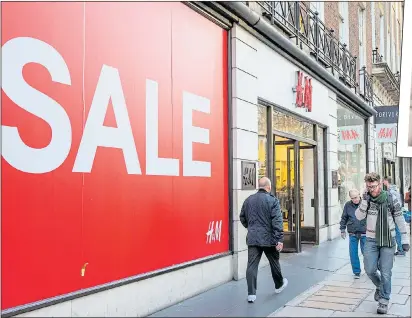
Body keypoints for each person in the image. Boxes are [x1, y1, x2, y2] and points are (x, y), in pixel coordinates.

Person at [356, 172, 410, 315]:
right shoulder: (367, 198)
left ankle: (384, 301)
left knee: (386, 273)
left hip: (388, 240)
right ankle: (380, 287)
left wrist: (404, 240)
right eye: (369, 187)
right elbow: (358, 216)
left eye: (373, 186)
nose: (371, 189)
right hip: (371, 239)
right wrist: (364, 201)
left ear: (379, 184)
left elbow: (399, 219)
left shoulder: (390, 198)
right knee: (369, 269)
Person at [239, 177, 287, 303]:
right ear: (268, 187)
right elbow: (277, 221)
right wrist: (279, 239)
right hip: (269, 238)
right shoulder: (273, 201)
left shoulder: (248, 200)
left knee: (252, 265)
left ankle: (251, 294)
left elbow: (242, 217)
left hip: (253, 238)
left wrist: (251, 228)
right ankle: (279, 285)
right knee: (274, 262)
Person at [339, 189, 366, 279]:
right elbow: (344, 217)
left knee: (366, 253)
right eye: (352, 198)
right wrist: (342, 229)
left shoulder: (365, 203)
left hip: (364, 232)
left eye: (356, 197)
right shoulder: (347, 205)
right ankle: (357, 272)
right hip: (352, 232)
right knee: (353, 253)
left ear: (359, 195)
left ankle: (369, 270)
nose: (355, 200)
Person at [383, 177, 404, 256]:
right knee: (397, 231)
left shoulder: (391, 191)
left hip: (394, 214)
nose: (382, 182)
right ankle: (400, 249)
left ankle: (401, 249)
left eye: (383, 180)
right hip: (395, 213)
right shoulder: (393, 189)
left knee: (397, 231)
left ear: (386, 181)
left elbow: (396, 203)